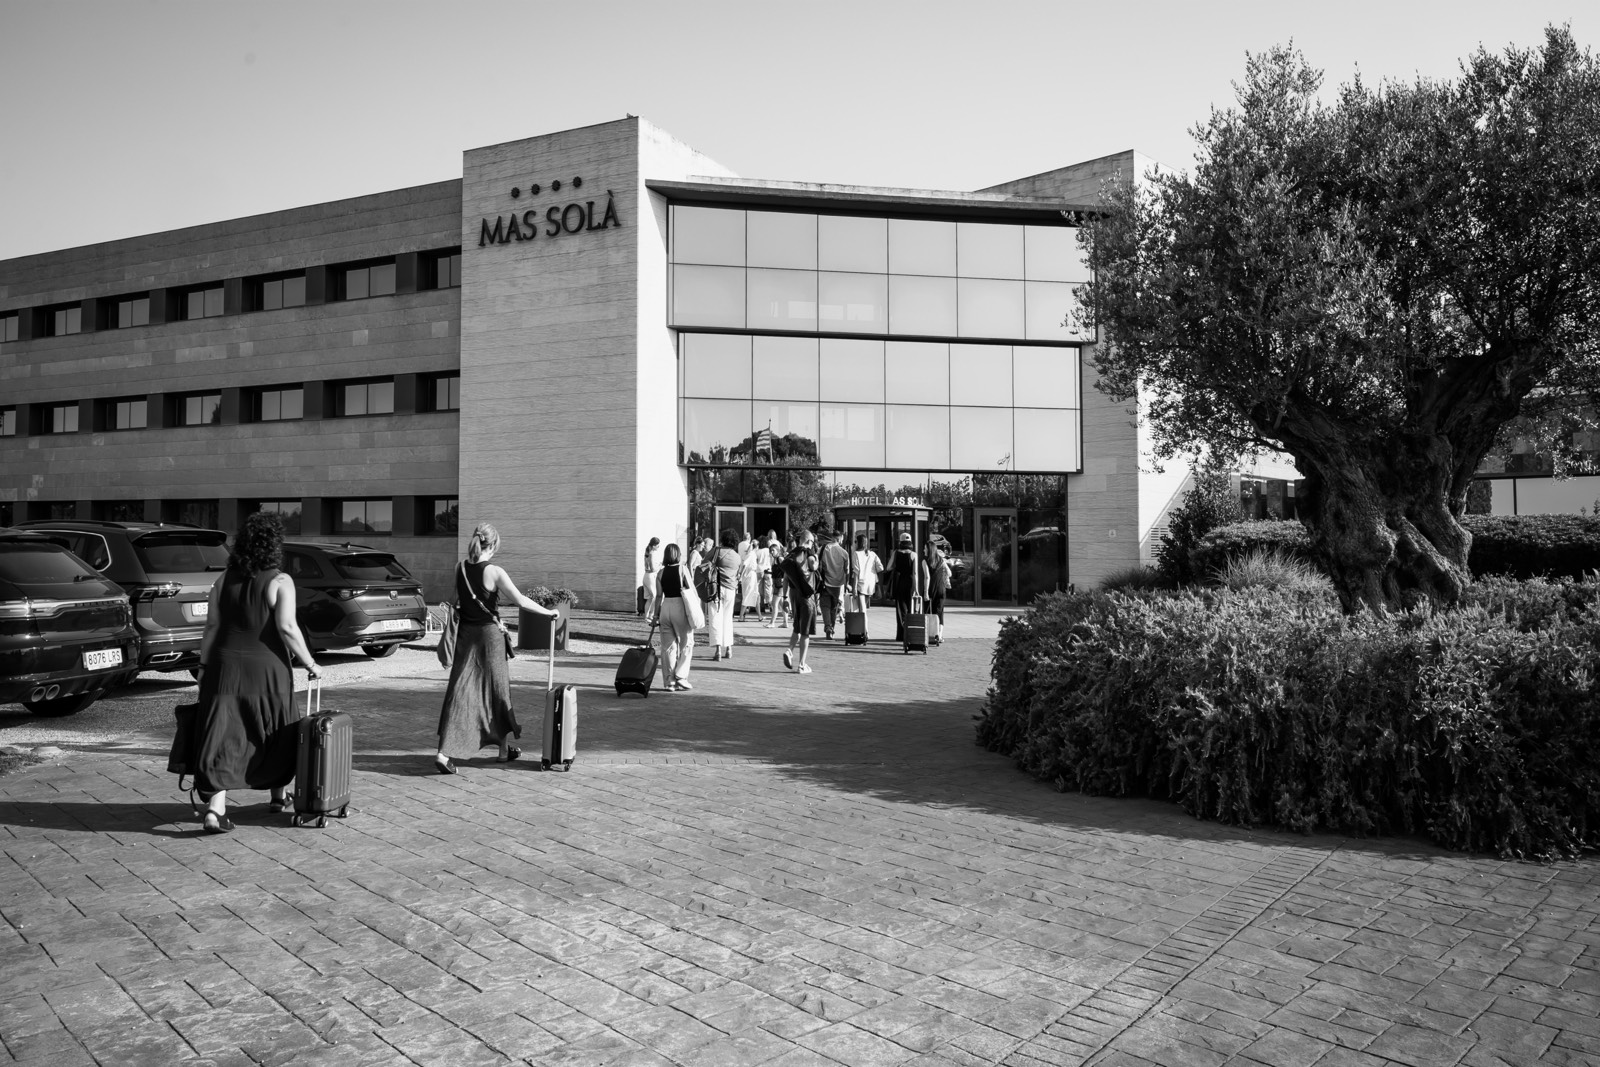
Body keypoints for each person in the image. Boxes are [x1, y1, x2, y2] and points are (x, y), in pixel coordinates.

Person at [192, 512, 323, 834]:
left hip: (223, 667)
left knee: (224, 732)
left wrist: (203, 666)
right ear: (274, 545)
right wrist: (310, 663)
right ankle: (277, 796)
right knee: (275, 728)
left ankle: (216, 810)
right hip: (267, 669)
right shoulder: (280, 581)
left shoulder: (223, 579)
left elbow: (212, 627)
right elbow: (287, 628)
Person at [435, 522, 557, 774]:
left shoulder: (460, 568)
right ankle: (491, 750)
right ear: (494, 545)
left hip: (466, 637)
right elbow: (521, 601)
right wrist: (549, 613)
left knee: (460, 691)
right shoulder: (495, 571)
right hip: (490, 638)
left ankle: (451, 752)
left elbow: (454, 601)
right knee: (498, 692)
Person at [647, 543, 696, 690]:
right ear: (678, 555)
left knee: (668, 647)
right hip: (680, 606)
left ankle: (670, 681)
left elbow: (658, 596)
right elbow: (691, 590)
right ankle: (681, 675)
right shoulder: (682, 569)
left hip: (665, 607)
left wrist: (655, 616)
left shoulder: (661, 573)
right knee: (687, 642)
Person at [780, 531, 817, 673]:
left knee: (797, 627)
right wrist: (816, 560)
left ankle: (789, 651)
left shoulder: (791, 554)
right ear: (808, 541)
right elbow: (813, 566)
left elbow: (786, 578)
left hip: (793, 593)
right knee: (805, 631)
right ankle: (802, 664)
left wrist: (784, 598)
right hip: (806, 595)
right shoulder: (808, 553)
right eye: (812, 542)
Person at [706, 528, 740, 660]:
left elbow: (704, 563)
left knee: (715, 617)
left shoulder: (717, 551)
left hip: (717, 588)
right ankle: (729, 648)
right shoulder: (737, 556)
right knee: (727, 618)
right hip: (731, 589)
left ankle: (718, 650)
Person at [889, 531, 928, 643]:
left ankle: (901, 635)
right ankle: (910, 633)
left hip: (899, 582)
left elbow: (888, 567)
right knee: (911, 608)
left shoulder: (896, 553)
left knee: (900, 609)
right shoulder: (914, 554)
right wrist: (916, 588)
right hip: (910, 582)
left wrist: (897, 567)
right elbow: (915, 573)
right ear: (910, 542)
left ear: (900, 542)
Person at [816, 526, 850, 639]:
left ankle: (828, 627)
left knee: (825, 606)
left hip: (825, 582)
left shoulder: (823, 549)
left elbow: (816, 563)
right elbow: (847, 571)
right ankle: (832, 628)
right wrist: (847, 584)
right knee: (834, 608)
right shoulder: (844, 553)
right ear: (839, 539)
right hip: (838, 584)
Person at [923, 539, 949, 643]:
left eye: (925, 548)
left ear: (929, 549)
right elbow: (949, 573)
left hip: (931, 589)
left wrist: (925, 592)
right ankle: (939, 635)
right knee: (940, 612)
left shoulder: (925, 561)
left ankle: (929, 634)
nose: (923, 550)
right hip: (941, 589)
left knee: (929, 612)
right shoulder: (941, 560)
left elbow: (927, 577)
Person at [737, 534, 761, 622]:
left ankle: (760, 615)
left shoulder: (750, 553)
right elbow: (745, 564)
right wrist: (740, 575)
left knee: (756, 594)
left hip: (751, 575)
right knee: (748, 594)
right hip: (749, 575)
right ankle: (741, 616)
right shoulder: (751, 554)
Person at [640, 536, 660, 616]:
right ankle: (651, 615)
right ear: (654, 545)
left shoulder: (647, 552)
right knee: (654, 596)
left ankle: (647, 616)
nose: (658, 547)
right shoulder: (652, 554)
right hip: (650, 576)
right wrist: (660, 565)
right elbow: (653, 569)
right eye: (657, 545)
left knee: (650, 598)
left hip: (646, 576)